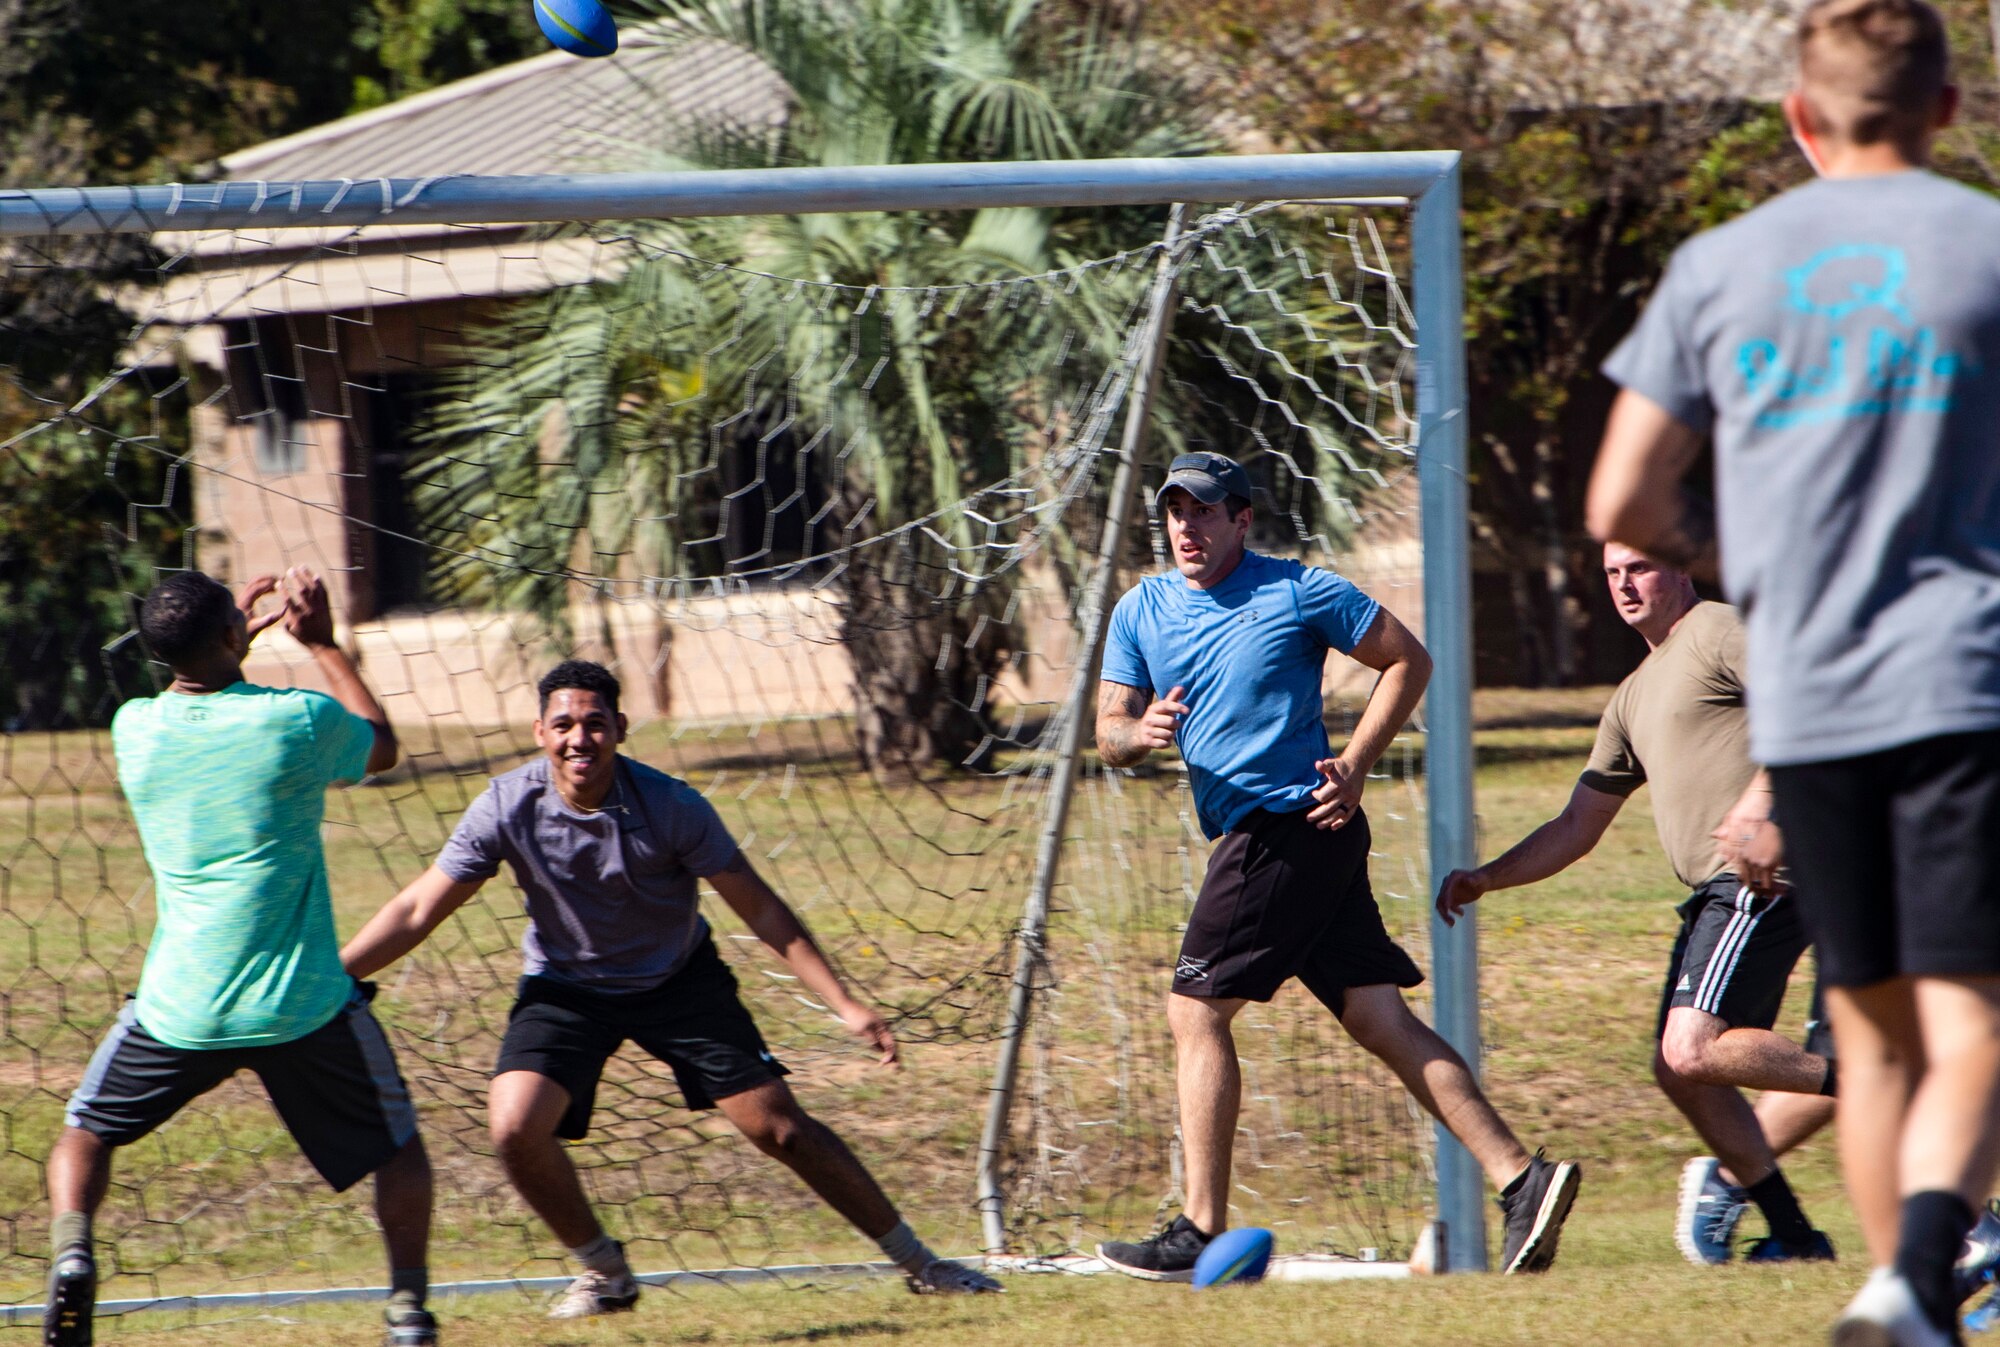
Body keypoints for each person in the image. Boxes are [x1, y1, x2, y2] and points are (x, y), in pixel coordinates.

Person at [1584, 2, 2000, 1340]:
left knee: (1870, 1021)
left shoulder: (1721, 265)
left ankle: (1903, 1290)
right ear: (1947, 112)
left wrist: (1747, 543)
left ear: (1799, 117)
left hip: (1814, 704)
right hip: (1960, 681)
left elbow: (1625, 489)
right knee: (1969, 1004)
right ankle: (1931, 1254)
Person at [340, 660, 1000, 1319]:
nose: (580, 738)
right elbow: (418, 908)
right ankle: (605, 1271)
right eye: (564, 724)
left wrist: (847, 1003)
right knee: (514, 1124)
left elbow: (761, 908)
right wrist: (338, 973)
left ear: (620, 728)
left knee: (780, 1129)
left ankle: (922, 1263)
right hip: (565, 988)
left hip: (678, 980)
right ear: (540, 731)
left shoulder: (672, 805)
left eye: (595, 723)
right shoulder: (505, 805)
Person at [1091, 450, 1581, 1279]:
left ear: (1243, 520)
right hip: (1285, 840)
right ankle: (1523, 1179)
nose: (1187, 526)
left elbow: (1409, 659)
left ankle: (1200, 1229)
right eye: (1175, 510)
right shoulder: (1140, 609)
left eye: (1205, 511)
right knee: (1379, 1019)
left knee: (1195, 1012)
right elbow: (1109, 725)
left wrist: (1357, 761)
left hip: (1284, 826)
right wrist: (1134, 736)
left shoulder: (1298, 590)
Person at [46, 568, 436, 1347]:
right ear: (235, 635)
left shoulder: (135, 729)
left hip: (179, 1004)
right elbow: (383, 747)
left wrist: (223, 640)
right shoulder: (294, 720)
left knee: (84, 1131)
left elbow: (196, 679)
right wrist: (321, 644)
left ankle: (71, 1256)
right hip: (301, 1002)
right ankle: (407, 1310)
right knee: (401, 1149)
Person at [1438, 543, 1840, 1265]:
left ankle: (1878, 1086)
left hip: (1764, 873)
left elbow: (1805, 702)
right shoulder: (1630, 695)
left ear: (1679, 567)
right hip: (1721, 890)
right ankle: (1794, 1233)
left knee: (1691, 1045)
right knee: (1678, 1067)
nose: (1625, 584)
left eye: (1641, 567)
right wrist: (1487, 878)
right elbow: (1575, 826)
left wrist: (1761, 801)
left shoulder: (1717, 628)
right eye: (1613, 572)